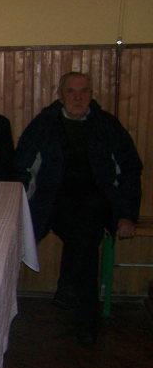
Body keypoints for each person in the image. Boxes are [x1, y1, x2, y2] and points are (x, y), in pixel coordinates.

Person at [15, 72, 142, 345]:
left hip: (100, 202)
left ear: (91, 94)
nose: (78, 97)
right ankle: (85, 321)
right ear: (60, 95)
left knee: (86, 220)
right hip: (56, 203)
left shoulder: (107, 125)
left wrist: (127, 215)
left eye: (84, 91)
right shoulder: (44, 125)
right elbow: (23, 170)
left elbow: (129, 170)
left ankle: (70, 286)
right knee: (86, 233)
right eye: (71, 91)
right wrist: (19, 213)